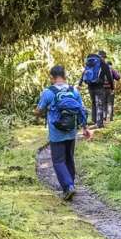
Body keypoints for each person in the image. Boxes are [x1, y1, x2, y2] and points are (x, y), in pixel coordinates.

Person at [35, 65, 92, 201]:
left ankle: (69, 186)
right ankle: (69, 186)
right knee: (69, 159)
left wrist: (37, 116)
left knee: (58, 161)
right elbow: (81, 110)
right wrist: (86, 127)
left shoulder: (48, 92)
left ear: (51, 78)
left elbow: (39, 110)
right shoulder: (74, 91)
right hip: (71, 131)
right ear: (65, 77)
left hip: (56, 133)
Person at [77, 52, 114, 128]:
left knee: (94, 103)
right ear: (103, 57)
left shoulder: (91, 63)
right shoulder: (104, 65)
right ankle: (99, 124)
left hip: (90, 86)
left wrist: (79, 84)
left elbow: (84, 73)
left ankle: (94, 121)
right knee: (99, 105)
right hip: (99, 87)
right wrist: (112, 88)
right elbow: (110, 77)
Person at [102, 52, 120, 122]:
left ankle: (103, 116)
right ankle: (110, 118)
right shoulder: (112, 70)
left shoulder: (102, 69)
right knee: (110, 103)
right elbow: (118, 78)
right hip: (110, 88)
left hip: (102, 88)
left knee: (104, 103)